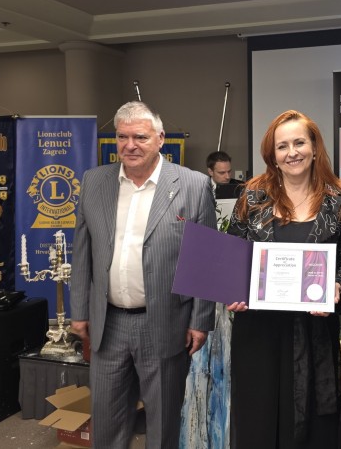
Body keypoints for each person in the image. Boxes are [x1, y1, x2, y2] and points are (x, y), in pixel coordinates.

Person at [69, 101, 216, 449]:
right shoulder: (94, 181)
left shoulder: (193, 185)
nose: (130, 145)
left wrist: (200, 321)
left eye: (140, 137)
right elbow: (82, 252)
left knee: (162, 426)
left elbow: (205, 260)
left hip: (164, 322)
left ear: (160, 138)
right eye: (122, 137)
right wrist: (79, 310)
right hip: (108, 324)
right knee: (106, 423)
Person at [226, 110, 341, 448]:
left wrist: (337, 285)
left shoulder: (337, 199)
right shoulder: (252, 197)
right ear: (272, 155)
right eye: (282, 146)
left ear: (314, 147)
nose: (292, 152)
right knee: (257, 425)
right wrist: (233, 289)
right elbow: (232, 257)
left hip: (314, 334)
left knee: (312, 428)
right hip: (258, 334)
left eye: (299, 142)